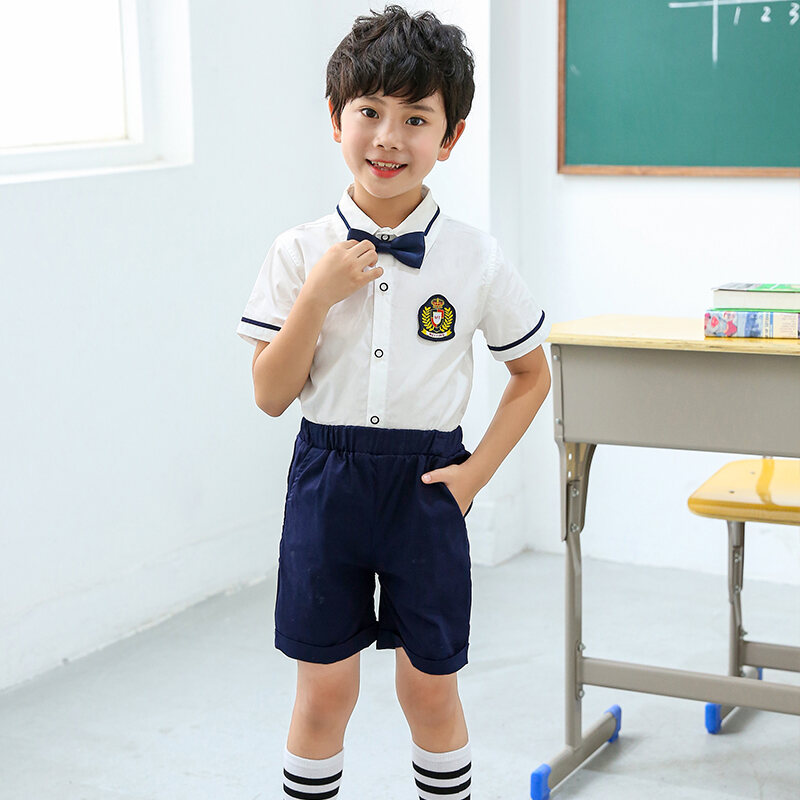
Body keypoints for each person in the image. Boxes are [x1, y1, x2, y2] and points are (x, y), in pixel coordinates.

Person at [235, 5, 551, 798]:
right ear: (335, 119)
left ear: (450, 138)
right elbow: (272, 396)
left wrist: (475, 475)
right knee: (323, 695)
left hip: (426, 486)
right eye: (369, 111)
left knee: (430, 690)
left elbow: (531, 373)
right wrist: (316, 295)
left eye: (416, 118)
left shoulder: (476, 258)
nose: (388, 137)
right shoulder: (297, 251)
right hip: (327, 478)